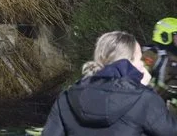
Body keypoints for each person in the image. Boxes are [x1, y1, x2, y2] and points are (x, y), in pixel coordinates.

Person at [43, 30, 177, 135]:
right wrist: (145, 88)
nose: (143, 64)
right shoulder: (144, 99)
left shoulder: (66, 98)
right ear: (127, 62)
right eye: (139, 59)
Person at [143, 17, 177, 113]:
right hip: (156, 110)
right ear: (165, 36)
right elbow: (137, 80)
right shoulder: (152, 54)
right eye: (176, 36)